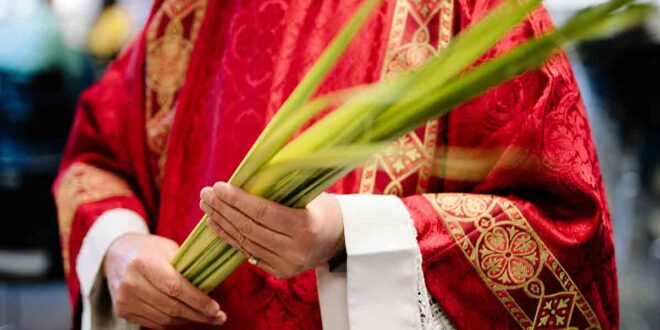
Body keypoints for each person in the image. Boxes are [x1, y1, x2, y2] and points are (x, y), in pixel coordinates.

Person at [53, 0, 619, 329]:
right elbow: (97, 158)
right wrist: (120, 252)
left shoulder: (474, 9)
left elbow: (566, 231)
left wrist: (349, 234)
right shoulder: (193, 9)